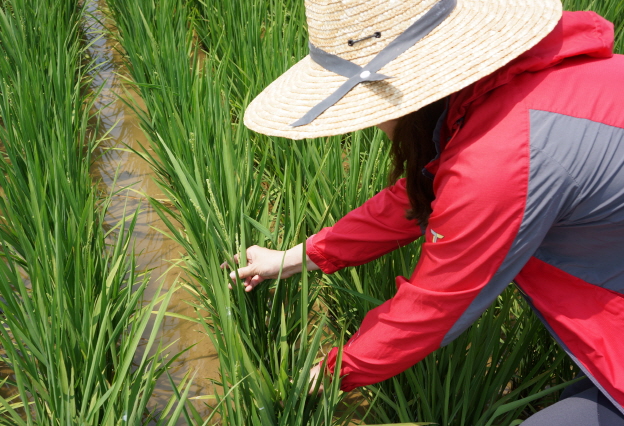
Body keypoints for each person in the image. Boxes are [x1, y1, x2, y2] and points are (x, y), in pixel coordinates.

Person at [228, 0, 624, 424]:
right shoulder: (515, 85)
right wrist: (294, 258)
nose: (371, 125)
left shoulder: (502, 156)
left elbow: (434, 308)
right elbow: (419, 198)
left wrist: (332, 371)